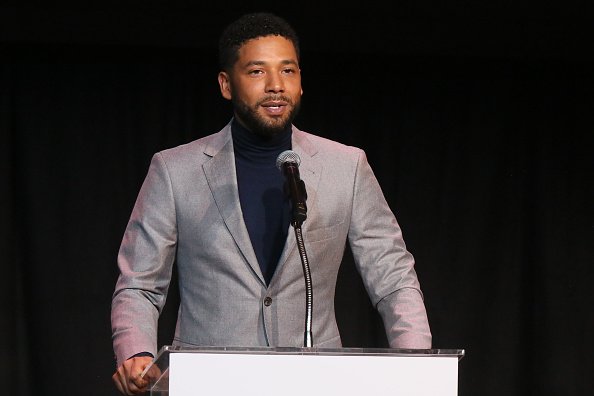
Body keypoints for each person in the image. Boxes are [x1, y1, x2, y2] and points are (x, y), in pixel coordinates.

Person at [111, 11, 432, 395]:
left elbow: (393, 275)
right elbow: (139, 283)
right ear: (226, 84)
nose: (276, 86)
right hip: (208, 382)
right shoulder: (175, 170)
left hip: (315, 383)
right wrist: (136, 352)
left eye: (288, 71)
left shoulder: (346, 166)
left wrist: (419, 363)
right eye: (257, 72)